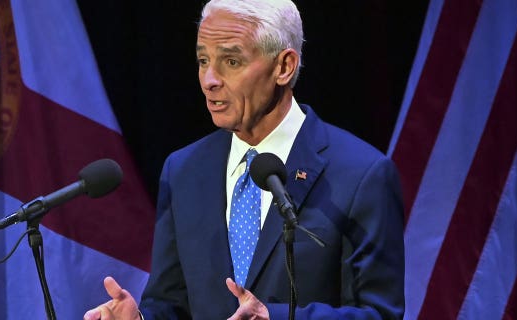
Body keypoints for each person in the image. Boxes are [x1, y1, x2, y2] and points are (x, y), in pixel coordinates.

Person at [84, 0, 405, 319]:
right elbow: (171, 303)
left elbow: (380, 314)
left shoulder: (361, 174)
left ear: (283, 67)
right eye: (202, 60)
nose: (209, 79)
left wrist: (275, 318)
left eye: (232, 61)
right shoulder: (184, 170)